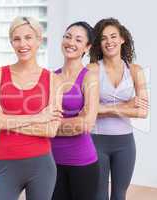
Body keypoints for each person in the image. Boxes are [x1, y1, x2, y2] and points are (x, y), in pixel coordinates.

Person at [0, 16, 62, 200]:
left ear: (39, 40)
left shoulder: (53, 80)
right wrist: (37, 117)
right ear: (11, 42)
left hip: (41, 166)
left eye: (28, 37)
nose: (22, 44)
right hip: (6, 165)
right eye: (16, 39)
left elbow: (50, 129)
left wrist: (4, 120)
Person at [88, 18, 149, 200]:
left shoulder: (135, 71)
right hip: (96, 141)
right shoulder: (92, 70)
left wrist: (104, 108)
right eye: (104, 38)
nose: (109, 42)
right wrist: (126, 105)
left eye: (113, 36)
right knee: (98, 195)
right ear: (99, 43)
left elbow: (143, 112)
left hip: (125, 144)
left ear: (122, 38)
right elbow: (89, 109)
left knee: (119, 195)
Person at [51, 22, 100, 200]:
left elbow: (86, 124)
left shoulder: (89, 77)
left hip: (82, 161)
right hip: (51, 161)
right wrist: (73, 122)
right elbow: (40, 119)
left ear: (87, 47)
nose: (71, 42)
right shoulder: (50, 76)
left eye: (78, 39)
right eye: (67, 36)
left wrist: (50, 125)